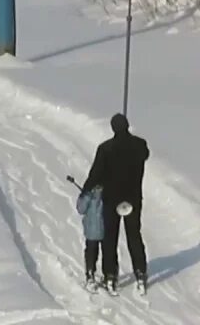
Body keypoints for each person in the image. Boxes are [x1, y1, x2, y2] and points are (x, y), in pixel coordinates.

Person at [81, 113, 149, 294]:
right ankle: (141, 272)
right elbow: (145, 155)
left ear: (112, 128)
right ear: (127, 125)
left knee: (110, 238)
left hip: (112, 200)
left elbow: (96, 174)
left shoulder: (106, 149)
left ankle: (110, 275)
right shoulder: (140, 145)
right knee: (134, 236)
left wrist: (86, 190)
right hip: (134, 199)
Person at [76, 184, 106, 290]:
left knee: (94, 252)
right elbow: (81, 209)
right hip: (93, 230)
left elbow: (81, 209)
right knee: (93, 252)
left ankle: (92, 274)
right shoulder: (91, 194)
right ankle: (91, 273)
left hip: (101, 229)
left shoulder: (102, 194)